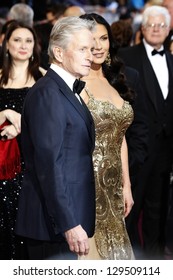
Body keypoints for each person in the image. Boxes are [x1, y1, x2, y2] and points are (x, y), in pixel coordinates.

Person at [15, 16, 96, 260]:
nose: (90, 56)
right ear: (59, 53)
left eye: (91, 49)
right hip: (51, 225)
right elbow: (49, 165)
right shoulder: (48, 93)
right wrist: (68, 223)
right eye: (82, 49)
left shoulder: (64, 90)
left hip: (61, 222)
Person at [118, 5, 173, 259]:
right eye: (151, 24)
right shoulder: (126, 56)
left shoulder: (172, 59)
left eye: (161, 25)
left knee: (158, 208)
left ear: (169, 29)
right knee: (131, 205)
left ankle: (154, 261)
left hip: (165, 150)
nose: (156, 29)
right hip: (135, 147)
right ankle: (128, 259)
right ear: (142, 28)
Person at [79, 13, 134, 260]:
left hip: (113, 189)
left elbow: (120, 136)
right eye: (92, 40)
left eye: (104, 38)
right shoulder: (74, 83)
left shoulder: (114, 79)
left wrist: (127, 186)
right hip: (87, 185)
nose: (99, 46)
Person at [0, 21, 46, 260]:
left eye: (28, 40)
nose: (23, 45)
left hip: (35, 168)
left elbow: (54, 125)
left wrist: (23, 124)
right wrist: (4, 114)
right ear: (6, 44)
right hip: (3, 169)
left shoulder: (46, 79)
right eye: (17, 39)